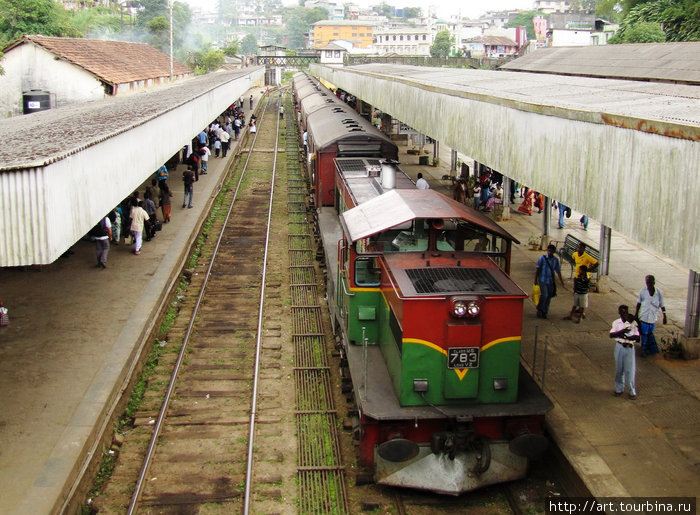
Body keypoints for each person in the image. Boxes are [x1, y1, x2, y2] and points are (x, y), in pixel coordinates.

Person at [610, 305, 640, 400]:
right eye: (622, 312)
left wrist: (626, 337)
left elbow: (637, 337)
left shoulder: (632, 323)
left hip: (629, 348)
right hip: (620, 347)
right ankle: (619, 389)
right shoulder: (616, 323)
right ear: (619, 313)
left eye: (625, 312)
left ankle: (632, 391)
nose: (624, 314)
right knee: (619, 369)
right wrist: (622, 332)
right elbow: (611, 335)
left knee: (630, 370)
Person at [634, 275, 666, 356]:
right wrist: (636, 314)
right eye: (647, 282)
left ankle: (650, 349)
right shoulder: (643, 291)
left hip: (652, 318)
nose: (649, 284)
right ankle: (643, 349)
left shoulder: (658, 293)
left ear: (654, 282)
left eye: (650, 282)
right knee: (644, 334)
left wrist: (665, 315)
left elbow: (662, 304)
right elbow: (639, 303)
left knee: (649, 334)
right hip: (644, 317)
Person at [534, 244, 566, 319]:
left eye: (551, 251)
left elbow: (558, 271)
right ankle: (540, 308)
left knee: (548, 296)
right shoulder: (542, 258)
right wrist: (535, 280)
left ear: (554, 252)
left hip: (550, 281)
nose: (550, 253)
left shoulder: (555, 260)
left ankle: (545, 311)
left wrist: (561, 282)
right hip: (543, 280)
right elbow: (538, 269)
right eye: (549, 251)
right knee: (544, 295)